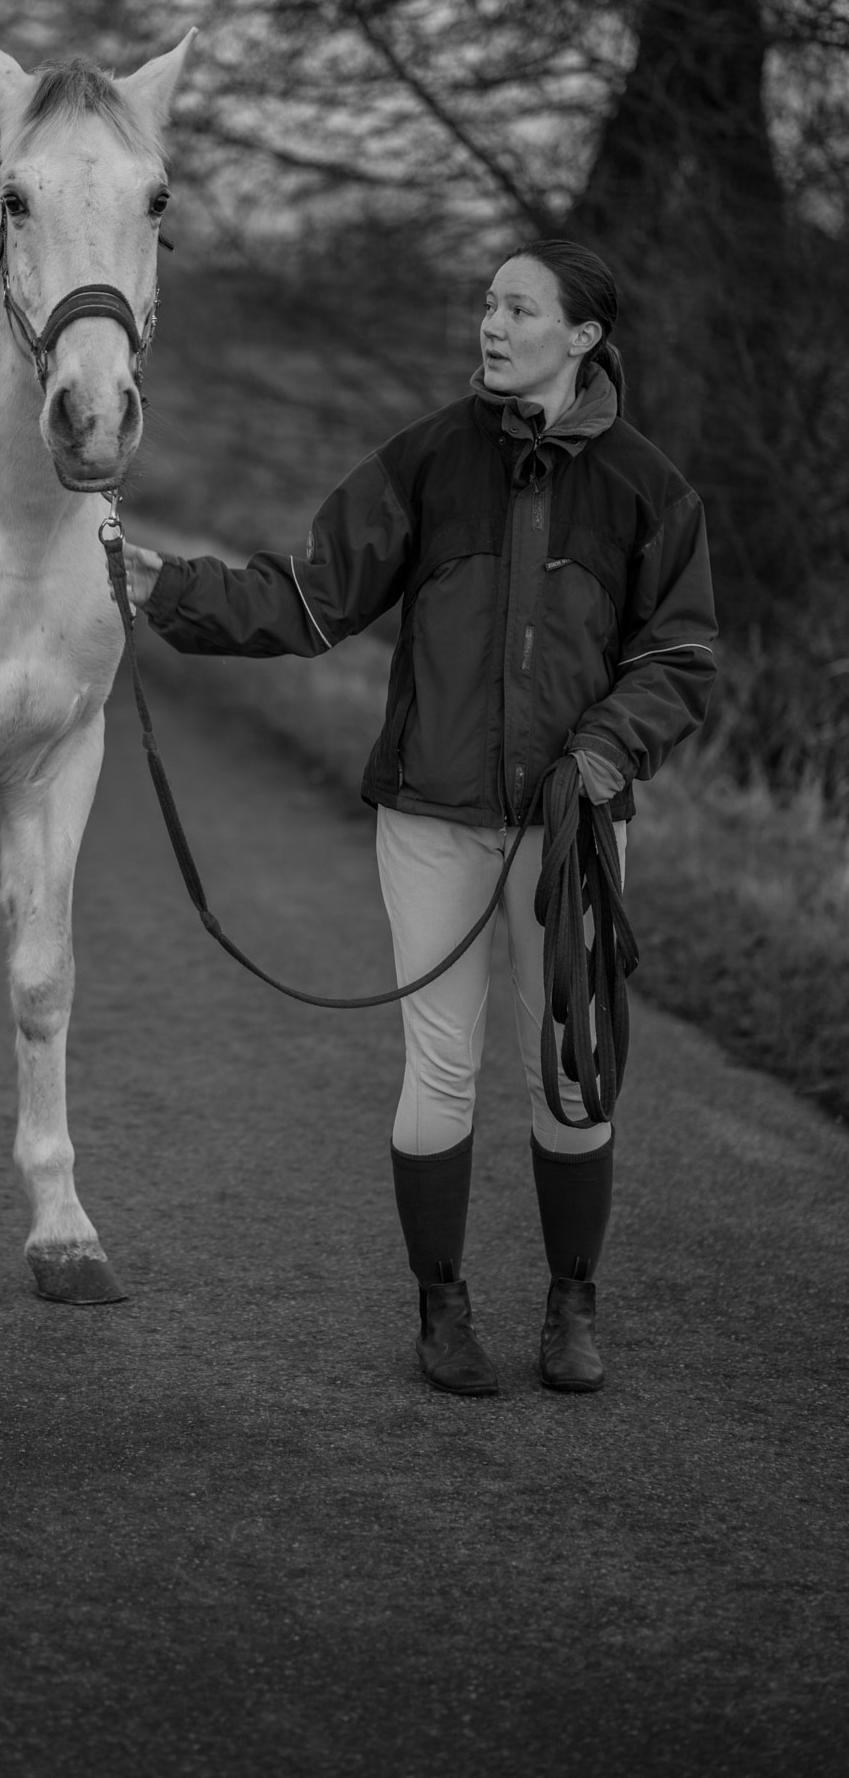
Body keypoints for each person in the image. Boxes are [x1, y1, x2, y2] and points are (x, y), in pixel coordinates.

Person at [122, 240, 717, 1397]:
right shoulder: (430, 459)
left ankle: (570, 1305)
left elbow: (681, 654)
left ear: (582, 336)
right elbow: (308, 597)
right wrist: (169, 588)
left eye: (517, 308)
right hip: (433, 821)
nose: (489, 324)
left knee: (567, 1075)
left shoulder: (651, 488)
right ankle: (440, 1310)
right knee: (439, 1074)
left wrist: (600, 747)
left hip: (573, 825)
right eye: (485, 303)